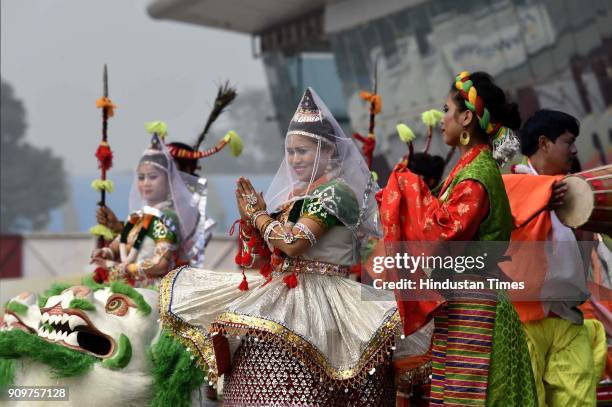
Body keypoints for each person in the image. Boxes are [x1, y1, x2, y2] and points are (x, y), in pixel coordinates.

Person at [158, 88, 432, 406]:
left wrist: (258, 216)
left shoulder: (336, 193)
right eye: (290, 152)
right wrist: (249, 221)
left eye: (303, 151)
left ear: (327, 152)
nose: (294, 160)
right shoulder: (294, 200)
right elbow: (259, 258)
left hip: (326, 302)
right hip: (285, 292)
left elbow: (293, 244)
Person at [378, 71, 537, 405]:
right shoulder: (469, 167)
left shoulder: (476, 174)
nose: (442, 120)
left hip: (475, 307)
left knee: (464, 398)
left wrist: (406, 185)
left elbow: (442, 232)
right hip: (464, 303)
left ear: (467, 117)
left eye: (446, 110)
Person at [502, 109, 607, 406]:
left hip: (565, 315)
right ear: (545, 143)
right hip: (524, 321)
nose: (574, 149)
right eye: (568, 141)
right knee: (528, 399)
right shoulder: (510, 187)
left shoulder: (574, 189)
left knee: (578, 398)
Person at [90, 133, 198, 287]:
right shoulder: (137, 217)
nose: (146, 183)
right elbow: (122, 245)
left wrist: (124, 269)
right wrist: (105, 253)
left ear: (169, 182)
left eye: (153, 177)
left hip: (156, 292)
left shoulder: (165, 217)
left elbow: (161, 264)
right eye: (141, 177)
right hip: (133, 287)